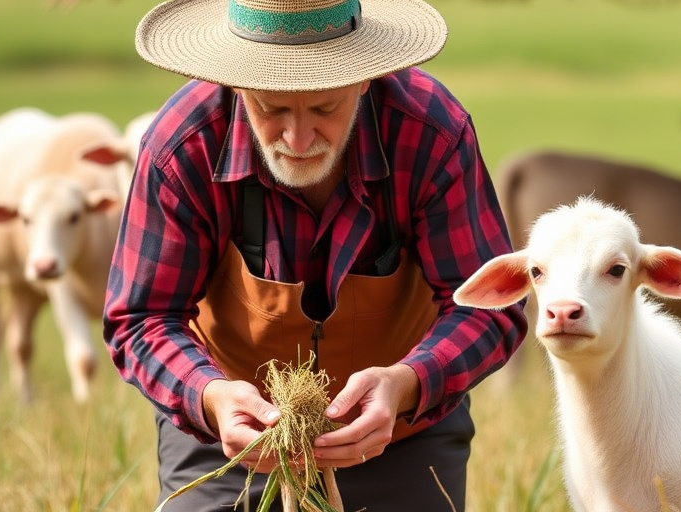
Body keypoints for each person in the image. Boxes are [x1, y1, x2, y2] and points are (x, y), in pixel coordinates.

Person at [102, 0, 528, 510]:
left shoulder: (429, 131)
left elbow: (487, 309)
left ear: (365, 79)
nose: (297, 139)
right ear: (237, 86)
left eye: (325, 108)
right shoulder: (183, 145)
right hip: (228, 440)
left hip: (398, 430)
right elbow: (142, 317)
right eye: (271, 108)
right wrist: (211, 397)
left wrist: (407, 383)